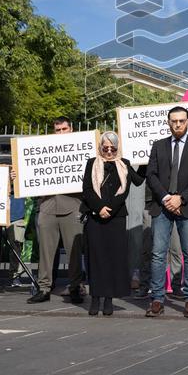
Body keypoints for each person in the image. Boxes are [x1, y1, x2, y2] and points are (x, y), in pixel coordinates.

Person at [145, 106, 188, 318]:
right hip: (162, 206)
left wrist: (181, 198)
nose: (178, 124)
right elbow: (151, 175)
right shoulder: (158, 146)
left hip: (187, 206)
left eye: (181, 120)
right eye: (174, 121)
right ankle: (157, 299)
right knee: (157, 254)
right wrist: (166, 198)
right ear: (168, 122)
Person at [81, 132, 144, 316]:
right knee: (96, 257)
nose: (109, 151)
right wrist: (99, 207)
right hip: (95, 216)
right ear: (100, 147)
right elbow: (86, 188)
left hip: (116, 217)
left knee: (112, 258)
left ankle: (108, 298)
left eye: (113, 148)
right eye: (105, 148)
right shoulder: (92, 163)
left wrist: (147, 159)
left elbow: (136, 183)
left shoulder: (123, 164)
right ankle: (95, 297)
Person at [29, 117, 86, 304]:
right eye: (58, 130)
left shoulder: (82, 148)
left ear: (72, 129)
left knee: (74, 251)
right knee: (45, 252)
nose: (61, 132)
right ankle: (44, 288)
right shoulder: (43, 148)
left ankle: (76, 287)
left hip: (72, 205)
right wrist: (18, 175)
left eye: (64, 129)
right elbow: (31, 172)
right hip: (47, 206)